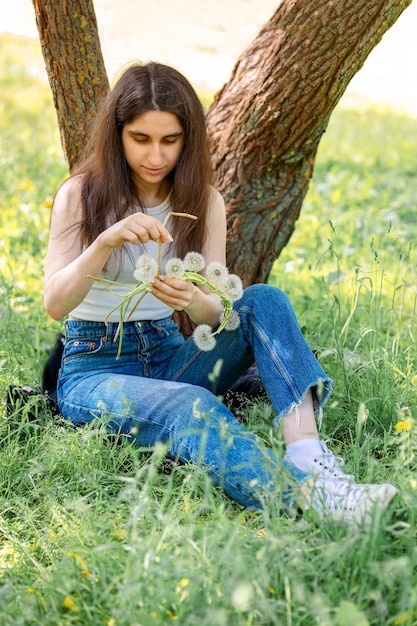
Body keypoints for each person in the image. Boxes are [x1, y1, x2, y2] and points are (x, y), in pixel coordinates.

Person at [43, 61, 397, 527]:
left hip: (170, 354)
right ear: (117, 134)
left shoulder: (204, 200)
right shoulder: (81, 194)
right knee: (192, 407)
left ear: (188, 139)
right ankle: (312, 500)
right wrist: (105, 241)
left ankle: (308, 453)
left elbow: (217, 313)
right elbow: (54, 304)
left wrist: (190, 299)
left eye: (170, 140)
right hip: (94, 368)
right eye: (140, 139)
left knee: (263, 299)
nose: (155, 156)